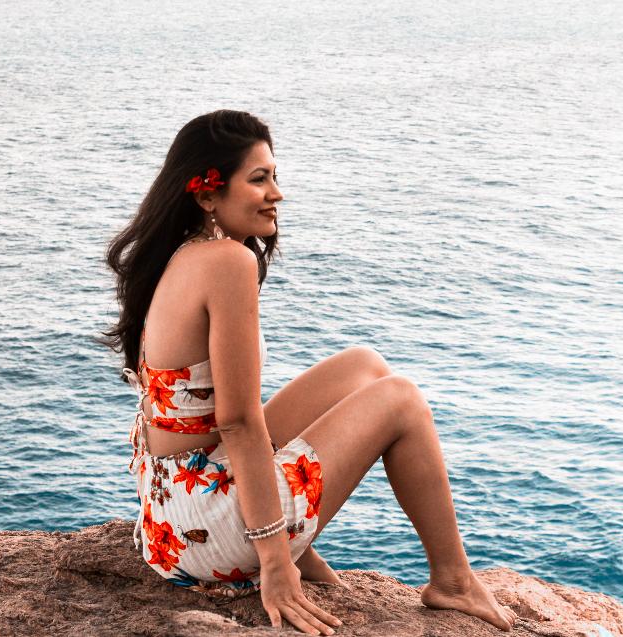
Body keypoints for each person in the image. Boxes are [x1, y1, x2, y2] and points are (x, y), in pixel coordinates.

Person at [101, 109, 517, 635]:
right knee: (402, 400)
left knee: (363, 366)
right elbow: (237, 422)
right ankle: (453, 581)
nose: (277, 193)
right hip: (209, 533)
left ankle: (306, 552)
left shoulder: (180, 255)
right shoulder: (229, 262)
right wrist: (276, 564)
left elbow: (205, 420)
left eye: (275, 175)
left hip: (168, 520)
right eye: (259, 179)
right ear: (207, 195)